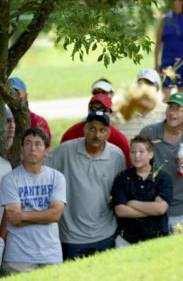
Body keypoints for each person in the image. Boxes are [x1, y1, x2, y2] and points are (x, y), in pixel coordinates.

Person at [44, 111, 125, 260]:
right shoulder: (65, 151)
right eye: (92, 129)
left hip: (104, 234)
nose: (97, 135)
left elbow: (121, 191)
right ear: (85, 130)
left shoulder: (117, 156)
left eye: (102, 130)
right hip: (71, 237)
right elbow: (40, 171)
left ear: (108, 133)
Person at [0, 128, 66, 276]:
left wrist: (23, 214)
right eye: (28, 143)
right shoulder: (10, 180)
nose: (33, 148)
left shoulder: (57, 178)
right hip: (18, 258)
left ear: (46, 150)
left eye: (38, 144)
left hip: (51, 256)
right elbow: (13, 219)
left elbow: (55, 215)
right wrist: (45, 215)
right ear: (22, 148)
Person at [140, 93, 183, 231]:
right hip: (155, 203)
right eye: (171, 107)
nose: (173, 112)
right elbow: (136, 165)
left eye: (179, 109)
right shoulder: (148, 132)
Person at [112, 135, 173, 247]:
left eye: (141, 151)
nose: (137, 156)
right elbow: (120, 211)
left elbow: (161, 209)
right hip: (128, 239)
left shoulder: (162, 178)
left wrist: (132, 203)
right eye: (133, 152)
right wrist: (152, 209)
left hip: (157, 238)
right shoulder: (122, 178)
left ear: (151, 154)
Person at [60, 93, 129, 167]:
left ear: (111, 114)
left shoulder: (119, 140)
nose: (97, 112)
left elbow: (127, 169)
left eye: (103, 110)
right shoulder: (71, 134)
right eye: (93, 109)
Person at [113, 69, 166, 140]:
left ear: (157, 89)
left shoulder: (166, 112)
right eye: (141, 84)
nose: (145, 89)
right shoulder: (121, 110)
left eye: (149, 85)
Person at [8, 77, 51, 143]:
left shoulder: (37, 122)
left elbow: (43, 150)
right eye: (8, 93)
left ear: (25, 96)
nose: (11, 97)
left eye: (16, 93)